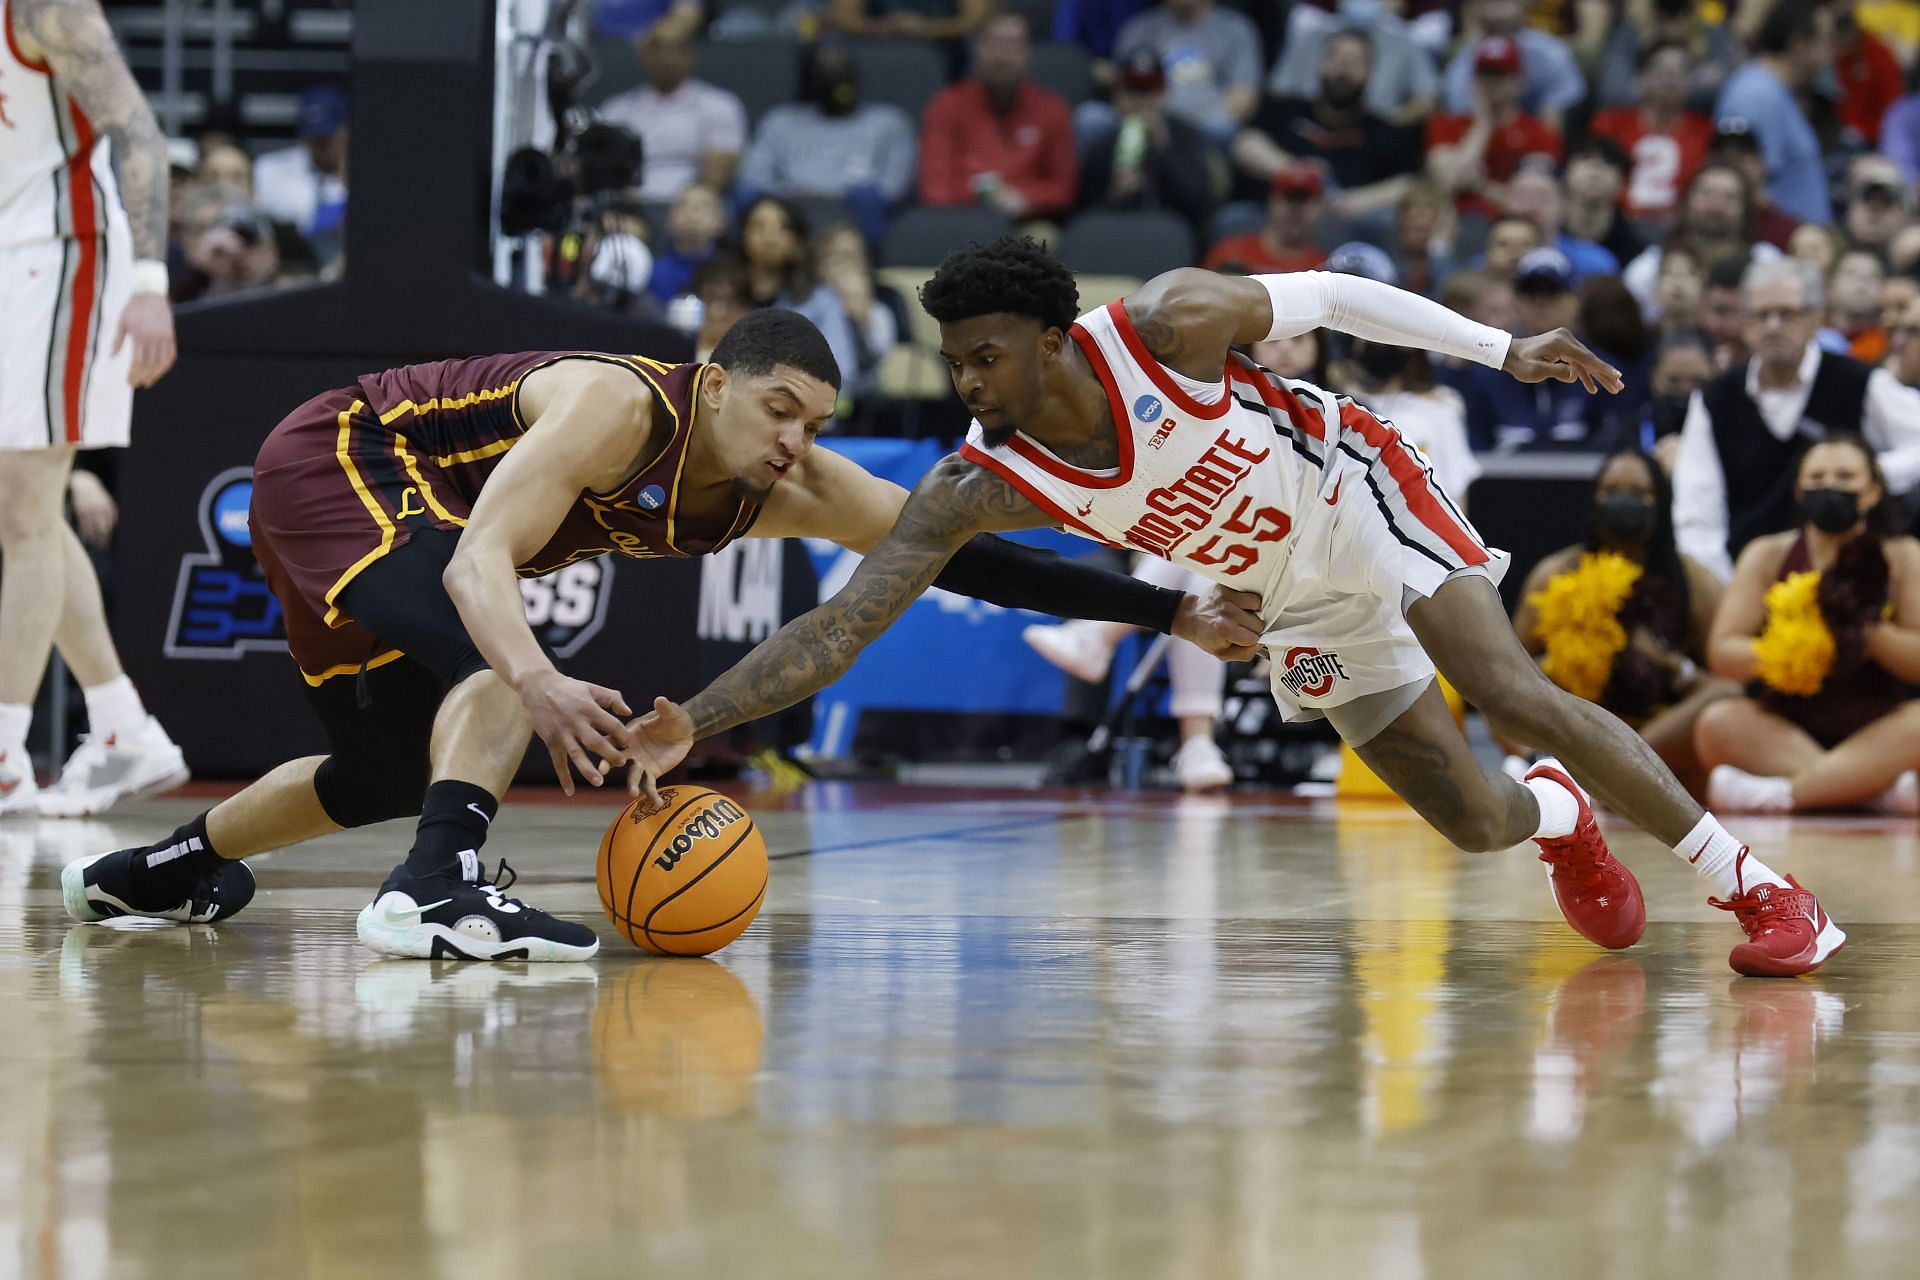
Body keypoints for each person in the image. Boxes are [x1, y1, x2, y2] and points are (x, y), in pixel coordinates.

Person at [625, 237, 1849, 978]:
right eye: (952, 360)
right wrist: (702, 715)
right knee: (1475, 818)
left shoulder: (1168, 322)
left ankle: (1759, 890)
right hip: (1286, 597)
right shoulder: (977, 481)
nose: (966, 381)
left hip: (1355, 484)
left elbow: (1336, 297)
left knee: (1514, 691)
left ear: (1053, 340)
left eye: (986, 355)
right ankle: (1554, 815)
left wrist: (1502, 348)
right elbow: (841, 625)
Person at [59, 310, 1260, 957]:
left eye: (816, 422)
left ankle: (155, 870)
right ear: (717, 380)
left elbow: (962, 551)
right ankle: (440, 888)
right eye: (780, 408)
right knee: (486, 667)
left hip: (373, 518)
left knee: (379, 769)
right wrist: (534, 679)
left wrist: (1167, 607)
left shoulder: (782, 483)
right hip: (338, 459)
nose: (796, 439)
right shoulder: (618, 401)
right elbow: (483, 561)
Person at [0, 0, 186, 818]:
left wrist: (151, 284)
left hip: (68, 255)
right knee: (29, 510)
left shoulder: (44, 8)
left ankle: (5, 752)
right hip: (14, 257)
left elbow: (140, 133)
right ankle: (120, 727)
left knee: (24, 509)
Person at [1022, 327, 1337, 792]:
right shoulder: (1219, 396)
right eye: (1274, 342)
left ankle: (1100, 641)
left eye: (1298, 340)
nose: (1286, 349)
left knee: (1199, 561)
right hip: (1190, 548)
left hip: (1292, 556)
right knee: (1189, 575)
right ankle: (1193, 744)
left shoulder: (1329, 408)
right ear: (1250, 349)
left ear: (1318, 349)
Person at [1696, 436, 1920, 814]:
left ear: (1872, 492)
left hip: (1879, 726)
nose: (1829, 485)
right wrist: (1796, 647)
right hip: (1786, 727)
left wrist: (1865, 632)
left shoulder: (1903, 554)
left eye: (1845, 476)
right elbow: (1723, 652)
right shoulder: (1767, 554)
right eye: (1817, 477)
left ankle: (1781, 795)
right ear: (1799, 490)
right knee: (1717, 723)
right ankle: (1873, 791)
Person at [1673, 258, 1920, 580]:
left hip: (1849, 575)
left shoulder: (1859, 382)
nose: (1773, 326)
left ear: (1816, 319)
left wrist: (1872, 473)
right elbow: (1697, 513)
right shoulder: (1714, 398)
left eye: (1787, 313)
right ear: (1744, 322)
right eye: (1761, 315)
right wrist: (1724, 586)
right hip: (1743, 573)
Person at [1512, 450, 1732, 799]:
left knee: (1727, 696)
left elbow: (1726, 683)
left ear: (1661, 502)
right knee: (1505, 685)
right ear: (1595, 498)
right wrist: (1564, 662)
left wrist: (1674, 666)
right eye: (1611, 490)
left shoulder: (1697, 582)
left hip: (1658, 733)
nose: (1623, 500)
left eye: (1638, 492)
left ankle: (1612, 773)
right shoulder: (1554, 573)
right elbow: (1506, 673)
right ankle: (1541, 764)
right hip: (1576, 728)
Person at [1231, 29, 1424, 222]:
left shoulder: (1386, 133)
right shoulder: (1284, 109)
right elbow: (1246, 145)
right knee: (1234, 218)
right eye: (1335, 56)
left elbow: (1407, 184)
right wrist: (1297, 173)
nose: (1343, 68)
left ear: (1370, 72)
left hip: (1347, 225)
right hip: (1273, 217)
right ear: (1320, 63)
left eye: (1354, 61)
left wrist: (1351, 202)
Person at [736, 39, 916, 239]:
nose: (836, 81)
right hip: (790, 211)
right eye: (826, 71)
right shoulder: (781, 121)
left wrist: (831, 195)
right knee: (745, 195)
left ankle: (865, 260)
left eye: (841, 69)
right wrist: (793, 193)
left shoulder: (889, 122)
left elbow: (892, 188)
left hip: (855, 212)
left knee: (868, 198)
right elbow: (753, 177)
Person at [918, 13, 1077, 221]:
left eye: (1012, 45)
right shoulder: (946, 105)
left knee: (1043, 241)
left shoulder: (1053, 108)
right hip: (960, 220)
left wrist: (1025, 198)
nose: (1002, 55)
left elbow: (1063, 190)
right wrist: (987, 197)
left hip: (1027, 221)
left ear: (1028, 53)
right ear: (977, 49)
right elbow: (934, 189)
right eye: (994, 43)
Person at [595, 24, 749, 203]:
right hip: (630, 204)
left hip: (694, 204)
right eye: (657, 48)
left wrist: (686, 203)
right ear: (642, 55)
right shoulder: (616, 110)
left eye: (677, 49)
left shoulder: (720, 105)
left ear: (692, 56)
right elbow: (606, 172)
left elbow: (715, 178)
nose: (666, 59)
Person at [1714, 0, 1834, 226]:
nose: (1833, 49)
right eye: (1826, 38)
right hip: (1780, 247)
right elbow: (1744, 184)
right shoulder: (1756, 96)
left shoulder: (1777, 92)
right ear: (1799, 43)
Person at [1075, 49, 1219, 231]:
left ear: (1163, 93)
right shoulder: (1104, 141)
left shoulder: (1186, 136)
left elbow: (1199, 205)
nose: (1138, 101)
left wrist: (1164, 149)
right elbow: (1080, 213)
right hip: (1116, 238)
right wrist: (1113, 196)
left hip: (1173, 239)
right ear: (1117, 94)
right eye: (1131, 90)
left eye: (1147, 91)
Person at [1425, 35, 1563, 220]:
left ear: (1518, 81)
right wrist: (1483, 124)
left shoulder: (1540, 133)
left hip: (1511, 223)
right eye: (1486, 75)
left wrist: (1479, 185)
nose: (1492, 84)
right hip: (1452, 222)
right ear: (1474, 80)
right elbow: (1448, 183)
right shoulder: (1446, 125)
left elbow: (1531, 202)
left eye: (1501, 75)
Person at [1588, 40, 1715, 223]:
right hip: (1618, 222)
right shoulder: (1610, 124)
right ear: (1640, 78)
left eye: (1681, 71)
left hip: (1681, 226)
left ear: (1691, 81)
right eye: (1661, 70)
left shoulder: (1707, 132)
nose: (1670, 78)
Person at [1111, 0, 1263, 145]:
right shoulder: (1139, 28)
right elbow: (1120, 92)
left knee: (1221, 127)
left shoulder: (1234, 28)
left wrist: (1186, 128)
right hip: (1145, 118)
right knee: (1094, 119)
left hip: (1206, 127)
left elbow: (1245, 98)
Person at [1440, 0, 1587, 127]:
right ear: (1477, 11)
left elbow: (1554, 117)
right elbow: (1460, 120)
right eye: (1492, 4)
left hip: (1535, 142)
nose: (1500, 13)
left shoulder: (1550, 53)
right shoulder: (1464, 64)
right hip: (1483, 142)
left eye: (1506, 3)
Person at [252, 85, 348, 269]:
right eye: (313, 136)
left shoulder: (367, 173)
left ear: (345, 130)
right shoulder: (270, 171)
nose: (320, 145)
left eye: (327, 137)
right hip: (291, 267)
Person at [1202, 167, 1327, 274]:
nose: (1295, 209)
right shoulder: (1231, 253)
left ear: (1321, 207)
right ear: (1271, 202)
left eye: (1303, 200)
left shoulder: (1325, 270)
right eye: (1289, 198)